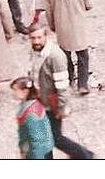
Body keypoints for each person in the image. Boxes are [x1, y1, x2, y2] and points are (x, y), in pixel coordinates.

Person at [29, 27, 94, 159]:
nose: (36, 41)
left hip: (52, 105)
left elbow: (62, 86)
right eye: (33, 38)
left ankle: (85, 156)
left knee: (55, 138)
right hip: (40, 103)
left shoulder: (55, 56)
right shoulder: (36, 51)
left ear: (45, 37)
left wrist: (61, 107)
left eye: (39, 37)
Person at [45, 0, 94, 95]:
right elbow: (90, 4)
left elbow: (48, 10)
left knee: (65, 55)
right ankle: (83, 84)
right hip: (78, 25)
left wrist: (52, 25)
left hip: (62, 26)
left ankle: (69, 79)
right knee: (83, 56)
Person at [10, 77, 55, 159]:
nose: (13, 93)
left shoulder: (31, 114)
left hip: (38, 154)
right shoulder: (33, 103)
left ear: (25, 91)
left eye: (15, 90)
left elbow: (37, 140)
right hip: (41, 150)